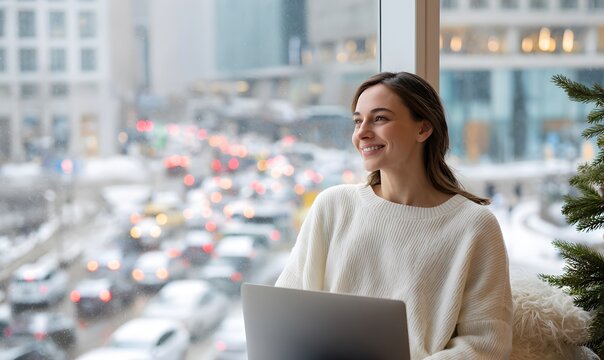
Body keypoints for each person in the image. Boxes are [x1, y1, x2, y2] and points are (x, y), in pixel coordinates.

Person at [275, 71, 512, 359]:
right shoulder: (332, 206)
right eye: (357, 121)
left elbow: (485, 345)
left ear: (423, 129)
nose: (361, 132)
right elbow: (285, 316)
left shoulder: (474, 226)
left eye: (380, 118)